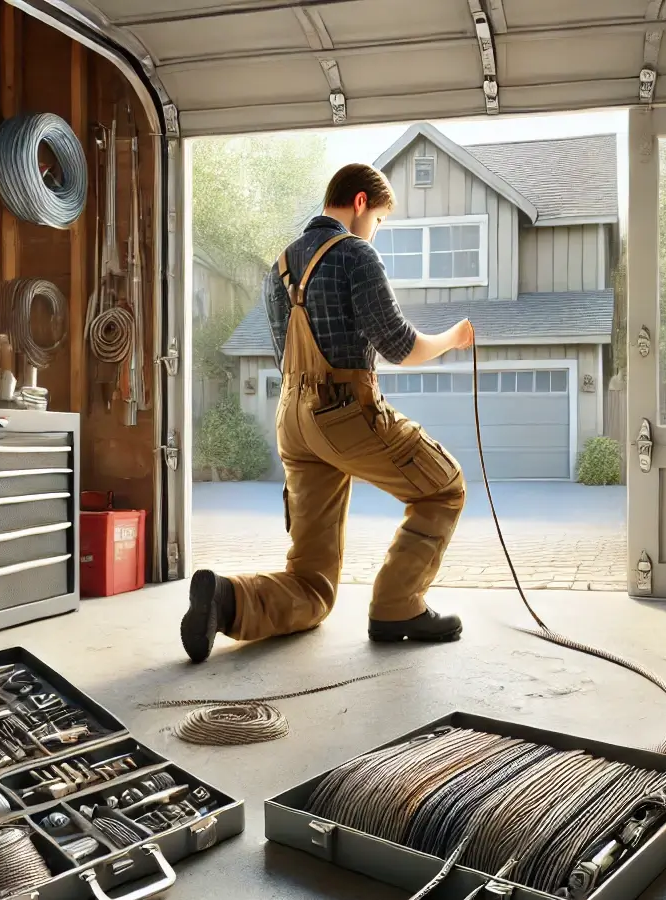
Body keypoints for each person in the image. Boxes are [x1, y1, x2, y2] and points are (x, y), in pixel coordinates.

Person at [181, 163, 476, 663]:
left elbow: (284, 353)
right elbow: (399, 345)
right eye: (379, 219)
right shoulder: (356, 255)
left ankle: (228, 601)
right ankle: (396, 606)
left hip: (293, 421)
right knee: (444, 486)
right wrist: (454, 337)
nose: (376, 231)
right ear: (360, 203)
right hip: (343, 413)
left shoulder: (280, 267)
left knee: (312, 583)